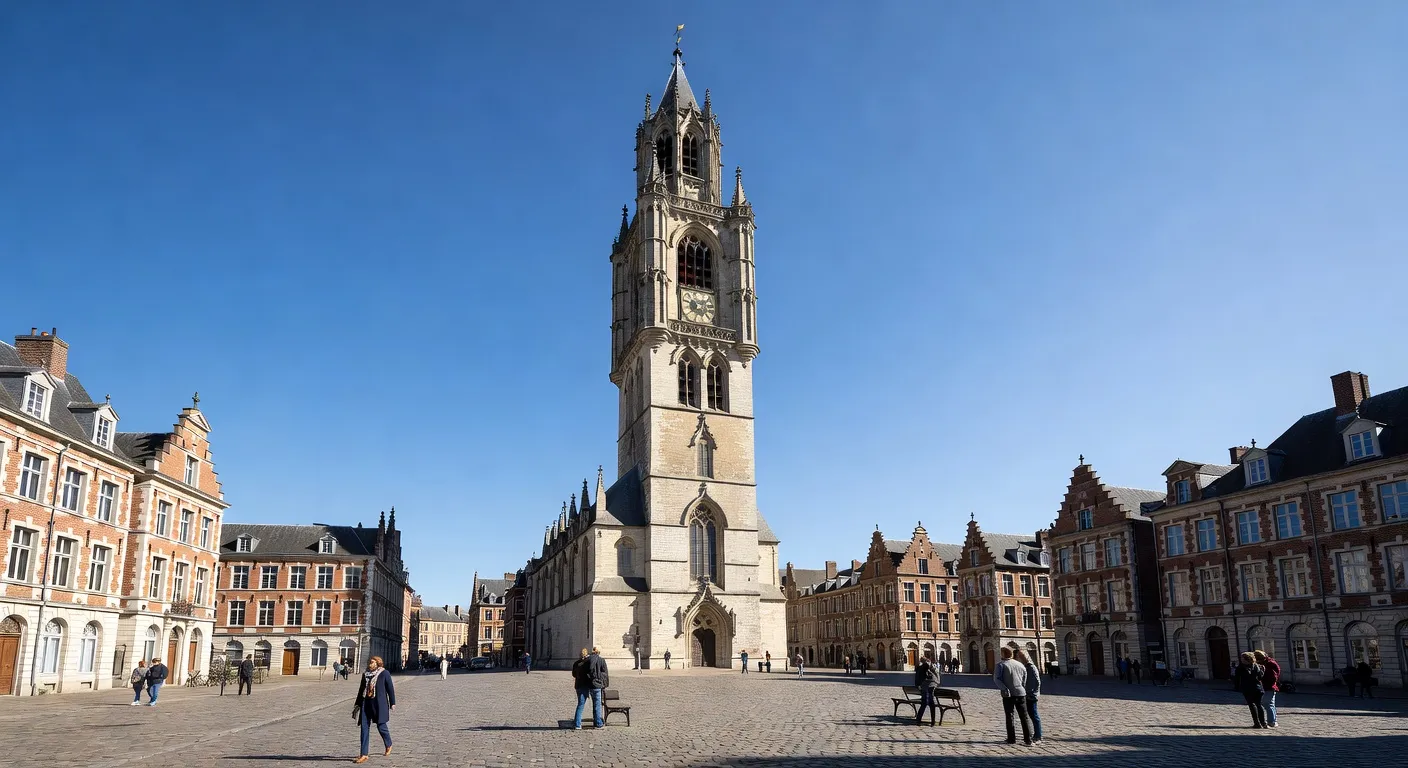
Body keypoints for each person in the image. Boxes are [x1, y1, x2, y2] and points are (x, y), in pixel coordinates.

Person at [353, 655, 395, 763]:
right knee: (364, 728)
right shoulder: (366, 674)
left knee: (381, 727)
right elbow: (361, 689)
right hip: (366, 703)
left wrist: (392, 703)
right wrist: (357, 704)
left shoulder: (384, 673)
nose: (370, 664)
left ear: (377, 663)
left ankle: (388, 743)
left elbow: (390, 688)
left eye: (372, 662)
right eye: (369, 662)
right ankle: (364, 754)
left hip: (378, 704)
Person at [993, 647, 1033, 746]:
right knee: (1024, 717)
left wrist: (1004, 688)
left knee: (1010, 716)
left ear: (1003, 654)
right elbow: (1024, 679)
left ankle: (1011, 739)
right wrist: (1021, 687)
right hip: (1021, 693)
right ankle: (1028, 739)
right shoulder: (1020, 665)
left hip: (1008, 694)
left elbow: (996, 679)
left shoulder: (1000, 665)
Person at [1233, 652, 1267, 728]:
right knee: (1258, 705)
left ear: (1247, 659)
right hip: (1258, 688)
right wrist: (1262, 671)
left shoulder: (1241, 667)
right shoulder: (1256, 666)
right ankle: (1263, 723)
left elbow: (1237, 679)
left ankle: (1257, 723)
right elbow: (1260, 677)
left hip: (1248, 688)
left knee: (1252, 705)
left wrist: (1237, 687)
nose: (1241, 660)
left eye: (1242, 658)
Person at [1016, 649, 1043, 743]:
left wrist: (1033, 693)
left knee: (1034, 716)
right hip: (1026, 694)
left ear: (1026, 656)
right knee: (1030, 715)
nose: (1020, 658)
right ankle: (1033, 734)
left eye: (1022, 656)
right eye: (1020, 656)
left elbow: (1036, 682)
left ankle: (1038, 735)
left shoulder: (1031, 667)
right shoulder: (1025, 667)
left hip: (1031, 696)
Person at [1253, 650, 1280, 728]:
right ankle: (1273, 721)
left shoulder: (1269, 664)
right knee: (1271, 704)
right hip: (1269, 686)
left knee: (1267, 704)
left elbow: (1273, 676)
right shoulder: (1269, 662)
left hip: (1269, 686)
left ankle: (1271, 721)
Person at [912, 656, 941, 726]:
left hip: (924, 687)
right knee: (931, 704)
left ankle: (918, 720)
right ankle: (932, 721)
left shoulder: (920, 668)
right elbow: (937, 679)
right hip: (930, 686)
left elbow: (917, 680)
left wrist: (918, 685)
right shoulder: (931, 669)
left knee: (924, 703)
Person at [586, 647, 609, 728]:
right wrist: (603, 683)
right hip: (598, 684)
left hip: (589, 684)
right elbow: (605, 673)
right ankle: (598, 723)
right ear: (598, 653)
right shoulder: (601, 660)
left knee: (594, 703)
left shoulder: (588, 660)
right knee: (597, 704)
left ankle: (595, 720)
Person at [571, 649, 593, 730]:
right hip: (584, 685)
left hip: (577, 685)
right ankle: (577, 724)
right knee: (581, 704)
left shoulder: (576, 663)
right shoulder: (586, 663)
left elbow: (573, 674)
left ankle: (576, 722)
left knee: (580, 703)